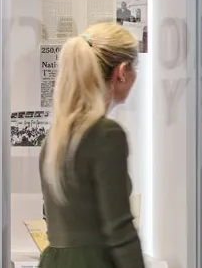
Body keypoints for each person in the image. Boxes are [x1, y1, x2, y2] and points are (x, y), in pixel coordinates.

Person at [38, 23, 144, 268]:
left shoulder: (55, 137)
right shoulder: (107, 135)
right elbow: (120, 231)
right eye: (135, 68)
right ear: (123, 72)